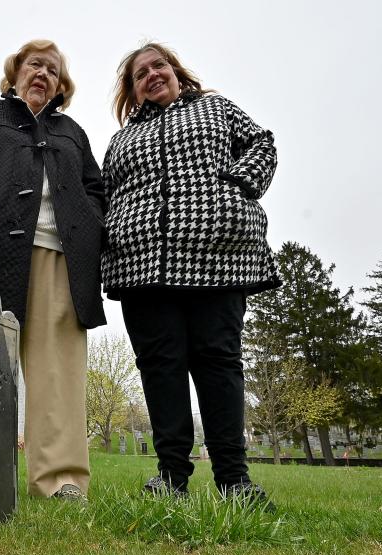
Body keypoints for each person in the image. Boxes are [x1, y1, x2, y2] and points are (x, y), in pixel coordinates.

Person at [102, 42, 279, 508]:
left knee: (218, 360)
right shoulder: (120, 140)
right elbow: (102, 195)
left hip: (217, 255)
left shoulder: (216, 109)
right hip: (141, 264)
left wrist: (236, 185)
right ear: (132, 90)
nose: (151, 75)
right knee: (160, 367)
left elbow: (263, 143)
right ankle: (171, 476)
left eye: (158, 65)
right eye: (140, 74)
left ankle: (234, 479)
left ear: (176, 71)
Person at [0, 40, 106, 500]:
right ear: (15, 73)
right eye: (35, 65)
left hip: (61, 259)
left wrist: (89, 225)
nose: (43, 74)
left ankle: (59, 482)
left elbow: (96, 189)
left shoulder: (72, 131)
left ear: (61, 86)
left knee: (59, 374)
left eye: (53, 70)